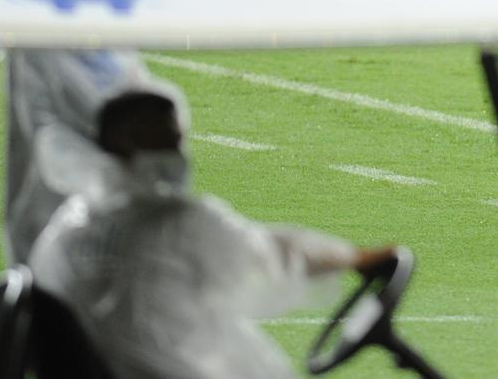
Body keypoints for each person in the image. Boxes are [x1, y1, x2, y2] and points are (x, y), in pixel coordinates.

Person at [28, 82, 396, 379]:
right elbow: (274, 256)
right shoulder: (178, 223)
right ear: (125, 144)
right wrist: (355, 258)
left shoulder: (64, 230)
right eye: (166, 141)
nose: (178, 153)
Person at [3, 0, 150, 265]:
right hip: (55, 239)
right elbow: (99, 112)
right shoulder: (40, 26)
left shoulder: (95, 8)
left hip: (105, 232)